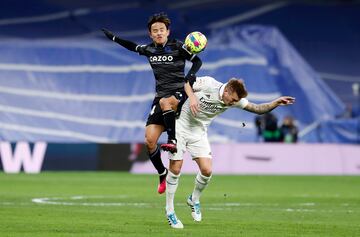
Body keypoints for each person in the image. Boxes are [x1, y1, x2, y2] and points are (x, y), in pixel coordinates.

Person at [164, 76, 295, 228]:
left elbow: (258, 109)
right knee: (176, 168)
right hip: (180, 126)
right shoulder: (207, 83)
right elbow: (185, 82)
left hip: (198, 132)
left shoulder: (234, 98)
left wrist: (276, 102)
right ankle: (170, 211)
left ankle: (194, 199)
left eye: (235, 101)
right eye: (232, 100)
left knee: (207, 170)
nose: (233, 103)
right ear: (226, 90)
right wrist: (191, 97)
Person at [102, 12, 202, 194]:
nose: (158, 33)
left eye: (161, 30)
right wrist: (114, 37)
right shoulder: (149, 49)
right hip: (161, 95)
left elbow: (197, 61)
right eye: (154, 30)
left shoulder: (179, 47)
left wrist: (191, 76)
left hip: (179, 92)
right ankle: (162, 172)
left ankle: (172, 140)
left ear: (168, 31)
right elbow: (132, 46)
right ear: (150, 34)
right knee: (149, 141)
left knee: (166, 103)